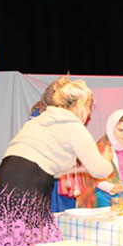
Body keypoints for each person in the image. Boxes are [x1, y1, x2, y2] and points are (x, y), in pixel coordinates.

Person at [0, 77, 113, 246]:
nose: (89, 113)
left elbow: (48, 162)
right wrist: (108, 160)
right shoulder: (72, 125)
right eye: (89, 107)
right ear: (81, 104)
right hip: (28, 184)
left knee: (17, 242)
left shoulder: (40, 120)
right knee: (34, 245)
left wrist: (77, 167)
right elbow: (99, 169)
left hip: (5, 178)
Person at [77, 109, 123, 208]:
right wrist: (112, 187)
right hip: (107, 193)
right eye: (120, 130)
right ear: (111, 127)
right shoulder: (101, 146)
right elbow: (93, 177)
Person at [28, 79, 76, 212]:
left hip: (63, 174)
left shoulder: (69, 115)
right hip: (45, 171)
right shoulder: (39, 114)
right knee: (49, 212)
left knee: (66, 213)